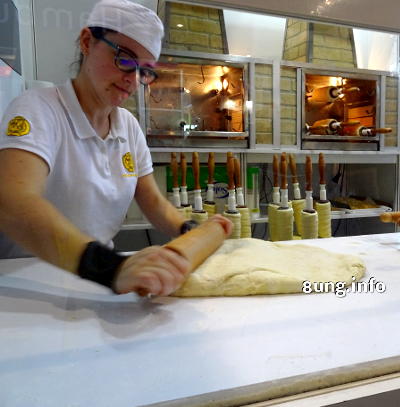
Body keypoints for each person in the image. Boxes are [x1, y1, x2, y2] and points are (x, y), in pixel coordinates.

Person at [0, 0, 232, 296]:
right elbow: (12, 201)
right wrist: (110, 267)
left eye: (145, 71)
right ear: (87, 42)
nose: (133, 80)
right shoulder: (39, 110)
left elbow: (153, 202)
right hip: (28, 286)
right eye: (124, 58)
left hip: (96, 287)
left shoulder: (128, 126)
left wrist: (193, 231)